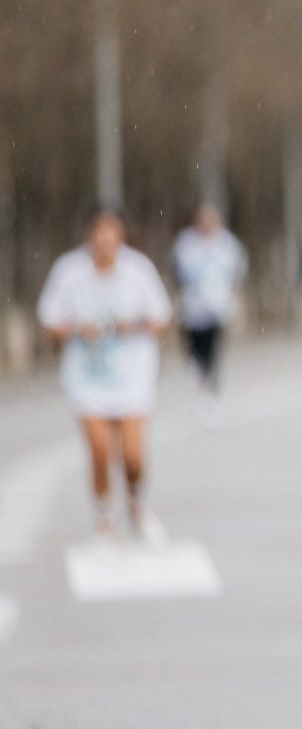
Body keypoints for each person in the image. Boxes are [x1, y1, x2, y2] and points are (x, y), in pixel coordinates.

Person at [36, 206, 174, 538]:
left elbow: (161, 319)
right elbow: (49, 321)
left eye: (111, 236)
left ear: (121, 237)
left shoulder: (138, 270)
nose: (104, 244)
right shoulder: (69, 271)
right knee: (99, 450)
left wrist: (134, 324)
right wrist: (75, 330)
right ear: (88, 237)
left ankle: (135, 503)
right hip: (87, 377)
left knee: (132, 457)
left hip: (132, 375)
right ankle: (103, 512)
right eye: (98, 236)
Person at [171, 202, 247, 422]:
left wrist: (232, 297)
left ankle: (210, 395)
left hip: (217, 308)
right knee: (194, 349)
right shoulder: (186, 243)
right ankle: (197, 373)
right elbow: (176, 271)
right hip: (192, 307)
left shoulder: (228, 245)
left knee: (214, 351)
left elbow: (237, 272)